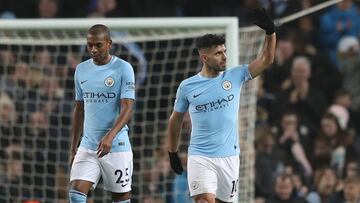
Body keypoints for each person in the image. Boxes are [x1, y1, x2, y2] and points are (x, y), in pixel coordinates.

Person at [167, 8, 276, 203]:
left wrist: (270, 32)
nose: (224, 56)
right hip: (201, 157)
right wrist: (172, 152)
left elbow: (266, 60)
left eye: (224, 51)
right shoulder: (187, 86)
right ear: (204, 58)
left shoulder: (235, 76)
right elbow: (175, 120)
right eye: (218, 53)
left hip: (229, 158)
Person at [69, 24, 135, 203]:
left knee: (120, 200)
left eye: (98, 45)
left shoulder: (123, 68)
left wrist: (110, 136)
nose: (93, 49)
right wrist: (74, 145)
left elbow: (127, 107)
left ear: (109, 43)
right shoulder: (81, 69)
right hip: (88, 145)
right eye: (90, 45)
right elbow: (79, 109)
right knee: (75, 195)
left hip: (116, 145)